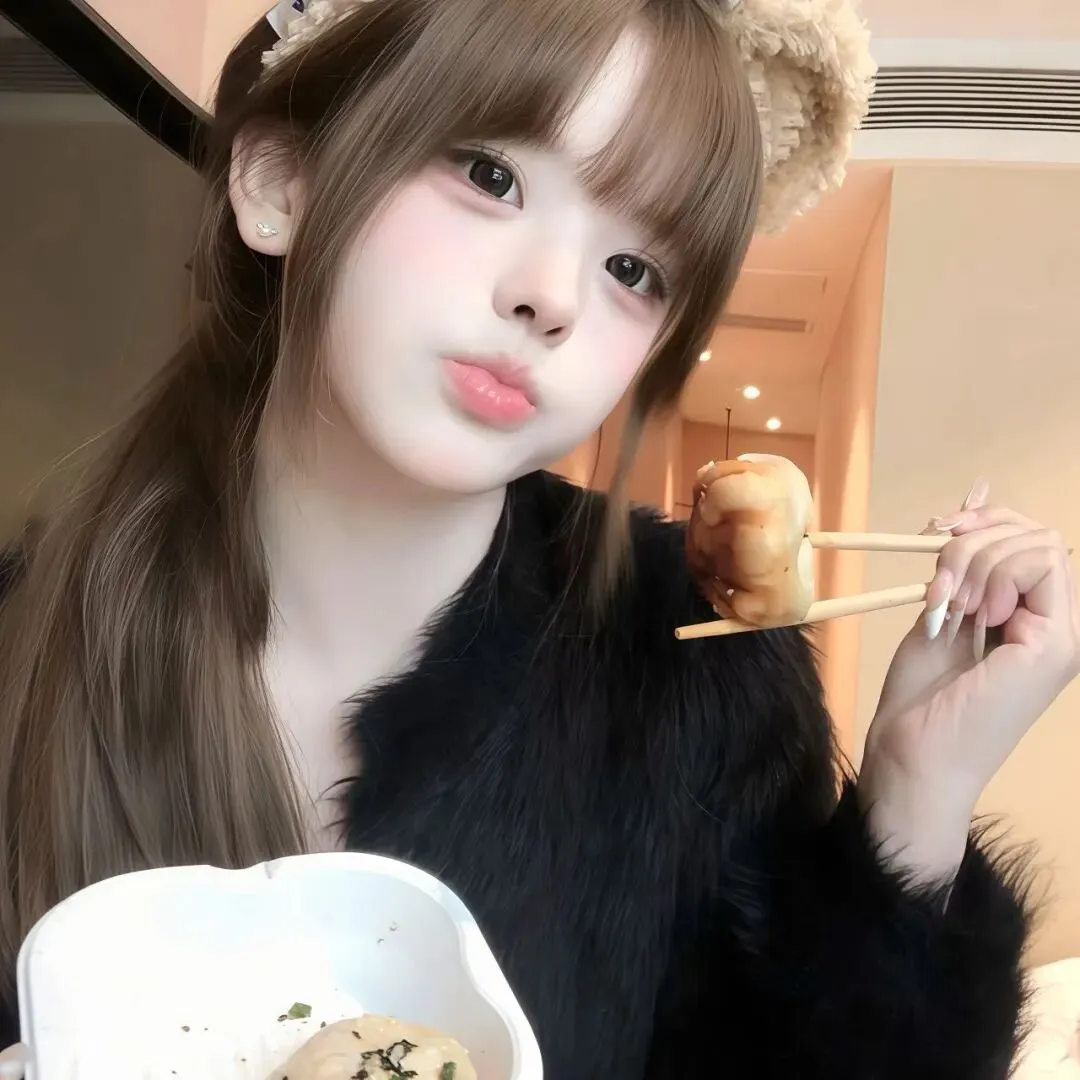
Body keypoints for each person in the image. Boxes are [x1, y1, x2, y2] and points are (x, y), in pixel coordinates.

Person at [0, 0, 1076, 1076]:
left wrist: (916, 805)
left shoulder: (701, 680)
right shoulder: (27, 637)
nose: (553, 298)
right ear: (282, 184)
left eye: (634, 270)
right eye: (491, 175)